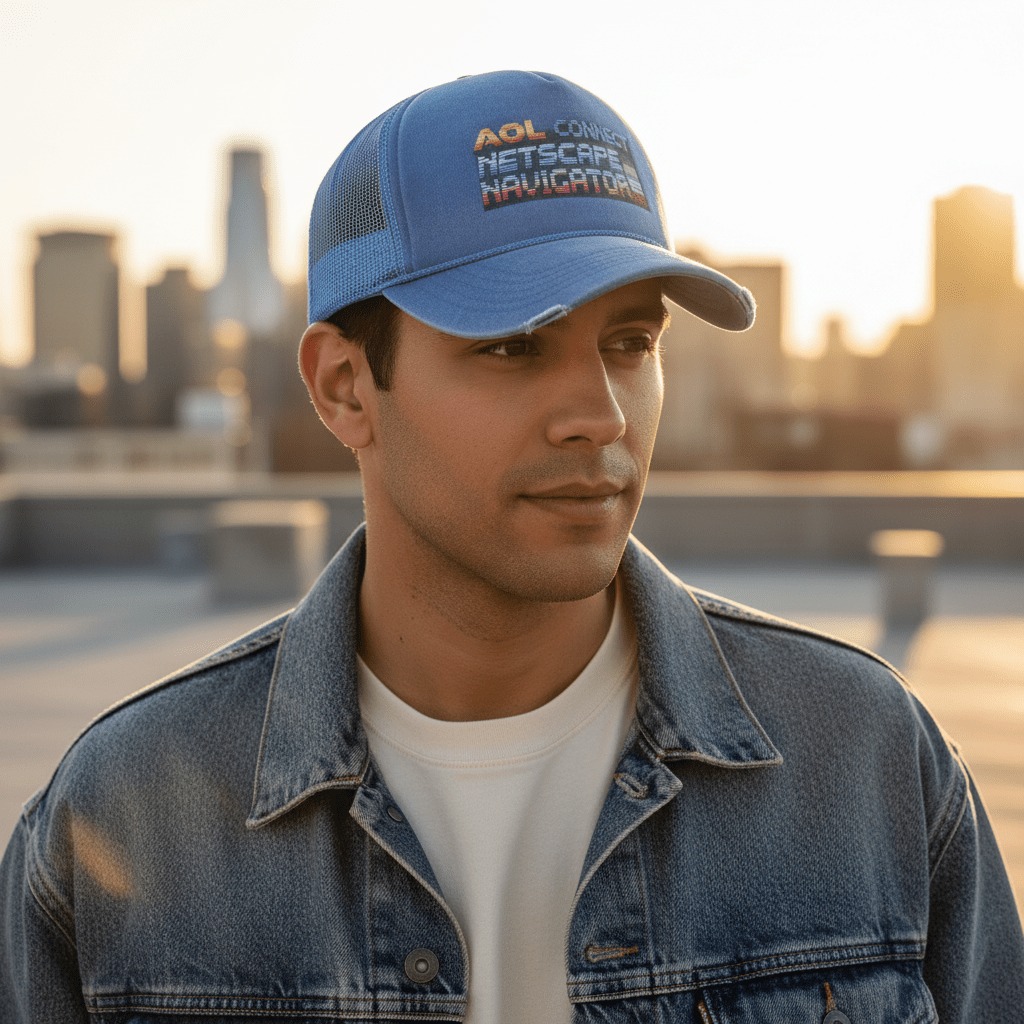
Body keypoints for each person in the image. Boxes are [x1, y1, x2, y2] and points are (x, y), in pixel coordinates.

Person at [1, 70, 1021, 1023]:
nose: (600, 414)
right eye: (510, 344)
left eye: (630, 342)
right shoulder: (122, 817)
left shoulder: (868, 761)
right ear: (344, 387)